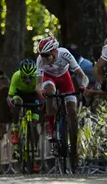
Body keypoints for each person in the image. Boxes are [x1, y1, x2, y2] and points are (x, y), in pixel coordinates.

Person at [35, 36, 89, 166]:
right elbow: (38, 85)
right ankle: (50, 124)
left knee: (72, 111)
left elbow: (83, 76)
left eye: (46, 55)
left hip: (64, 77)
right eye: (42, 55)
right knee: (49, 92)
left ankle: (74, 149)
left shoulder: (65, 54)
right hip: (49, 78)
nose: (44, 58)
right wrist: (42, 92)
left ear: (54, 51)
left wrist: (83, 86)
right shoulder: (40, 60)